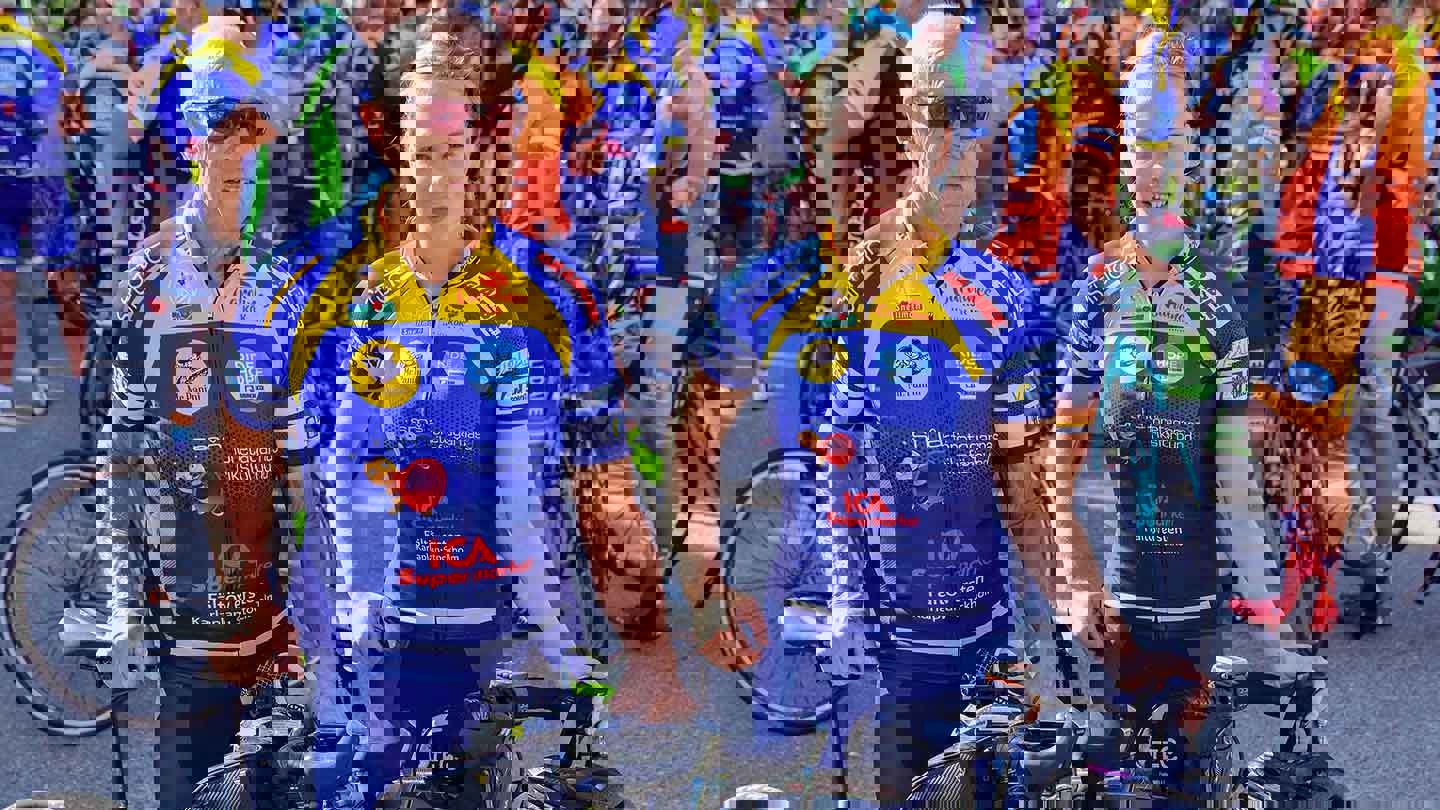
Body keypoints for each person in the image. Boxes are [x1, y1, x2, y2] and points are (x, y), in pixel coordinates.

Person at [674, 8, 1115, 799]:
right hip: (854, 648)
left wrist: (1079, 595)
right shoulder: (782, 293)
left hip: (969, 640)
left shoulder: (1006, 302)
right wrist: (708, 566)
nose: (948, 144)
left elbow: (1024, 487)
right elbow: (704, 434)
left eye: (968, 117)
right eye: (932, 118)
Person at [275, 17, 667, 804]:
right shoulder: (320, 284)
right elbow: (265, 472)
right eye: (434, 148)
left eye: (470, 142)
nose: (455, 169)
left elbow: (606, 492)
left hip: (482, 663)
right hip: (378, 662)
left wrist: (632, 577)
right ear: (387, 135)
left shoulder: (551, 293)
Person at [1053, 27, 1294, 807]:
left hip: (1198, 608)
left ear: (1191, 155)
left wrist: (1265, 618)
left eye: (1167, 148)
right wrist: (1074, 580)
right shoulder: (1097, 292)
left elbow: (1236, 486)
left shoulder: (1223, 299)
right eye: (1139, 150)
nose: (1153, 168)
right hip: (1119, 608)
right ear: (1125, 161)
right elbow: (1058, 461)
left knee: (1189, 786)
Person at [98, 20, 303, 810]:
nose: (238, 150)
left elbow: (315, 455)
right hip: (187, 606)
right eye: (223, 130)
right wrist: (121, 602)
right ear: (193, 141)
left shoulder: (287, 282)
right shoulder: (149, 274)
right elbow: (118, 446)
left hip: (278, 610)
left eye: (252, 131)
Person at [0, 3, 81, 422]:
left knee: (15, 288)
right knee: (43, 285)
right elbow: (73, 124)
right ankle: (38, 383)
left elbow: (69, 122)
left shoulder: (48, 52)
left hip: (24, 184)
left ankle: (14, 387)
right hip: (40, 183)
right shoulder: (50, 52)